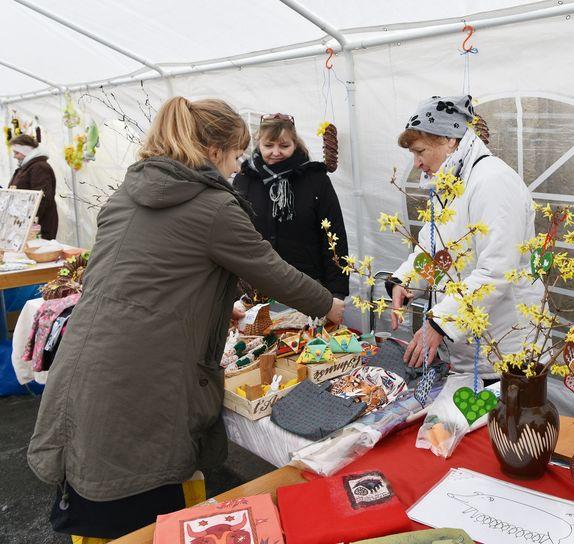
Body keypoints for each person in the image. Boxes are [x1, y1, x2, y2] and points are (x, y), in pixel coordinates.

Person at [27, 97, 345, 541]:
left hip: (87, 366)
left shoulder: (127, 195)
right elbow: (272, 270)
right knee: (144, 519)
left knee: (98, 504)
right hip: (141, 383)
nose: (238, 169)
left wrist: (220, 305)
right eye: (236, 157)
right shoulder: (213, 205)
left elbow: (143, 279)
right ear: (214, 152)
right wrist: (331, 304)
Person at [387, 95, 542, 380]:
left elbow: (495, 272)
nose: (417, 163)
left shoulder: (492, 182)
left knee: (502, 422)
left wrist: (439, 323)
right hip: (469, 346)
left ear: (450, 139)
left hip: (505, 348)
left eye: (420, 151)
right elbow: (434, 251)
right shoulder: (450, 185)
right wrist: (405, 281)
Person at [233, 114, 349, 300]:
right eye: (268, 146)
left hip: (308, 285)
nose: (276, 152)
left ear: (295, 144)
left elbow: (334, 235)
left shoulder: (315, 179)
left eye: (284, 146)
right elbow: (235, 233)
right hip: (257, 286)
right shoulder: (245, 179)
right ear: (258, 144)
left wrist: (337, 291)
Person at [9, 133, 59, 239]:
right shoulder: (27, 167)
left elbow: (41, 197)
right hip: (26, 222)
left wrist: (30, 221)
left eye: (17, 153)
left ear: (25, 151)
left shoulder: (39, 167)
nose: (15, 156)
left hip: (39, 224)